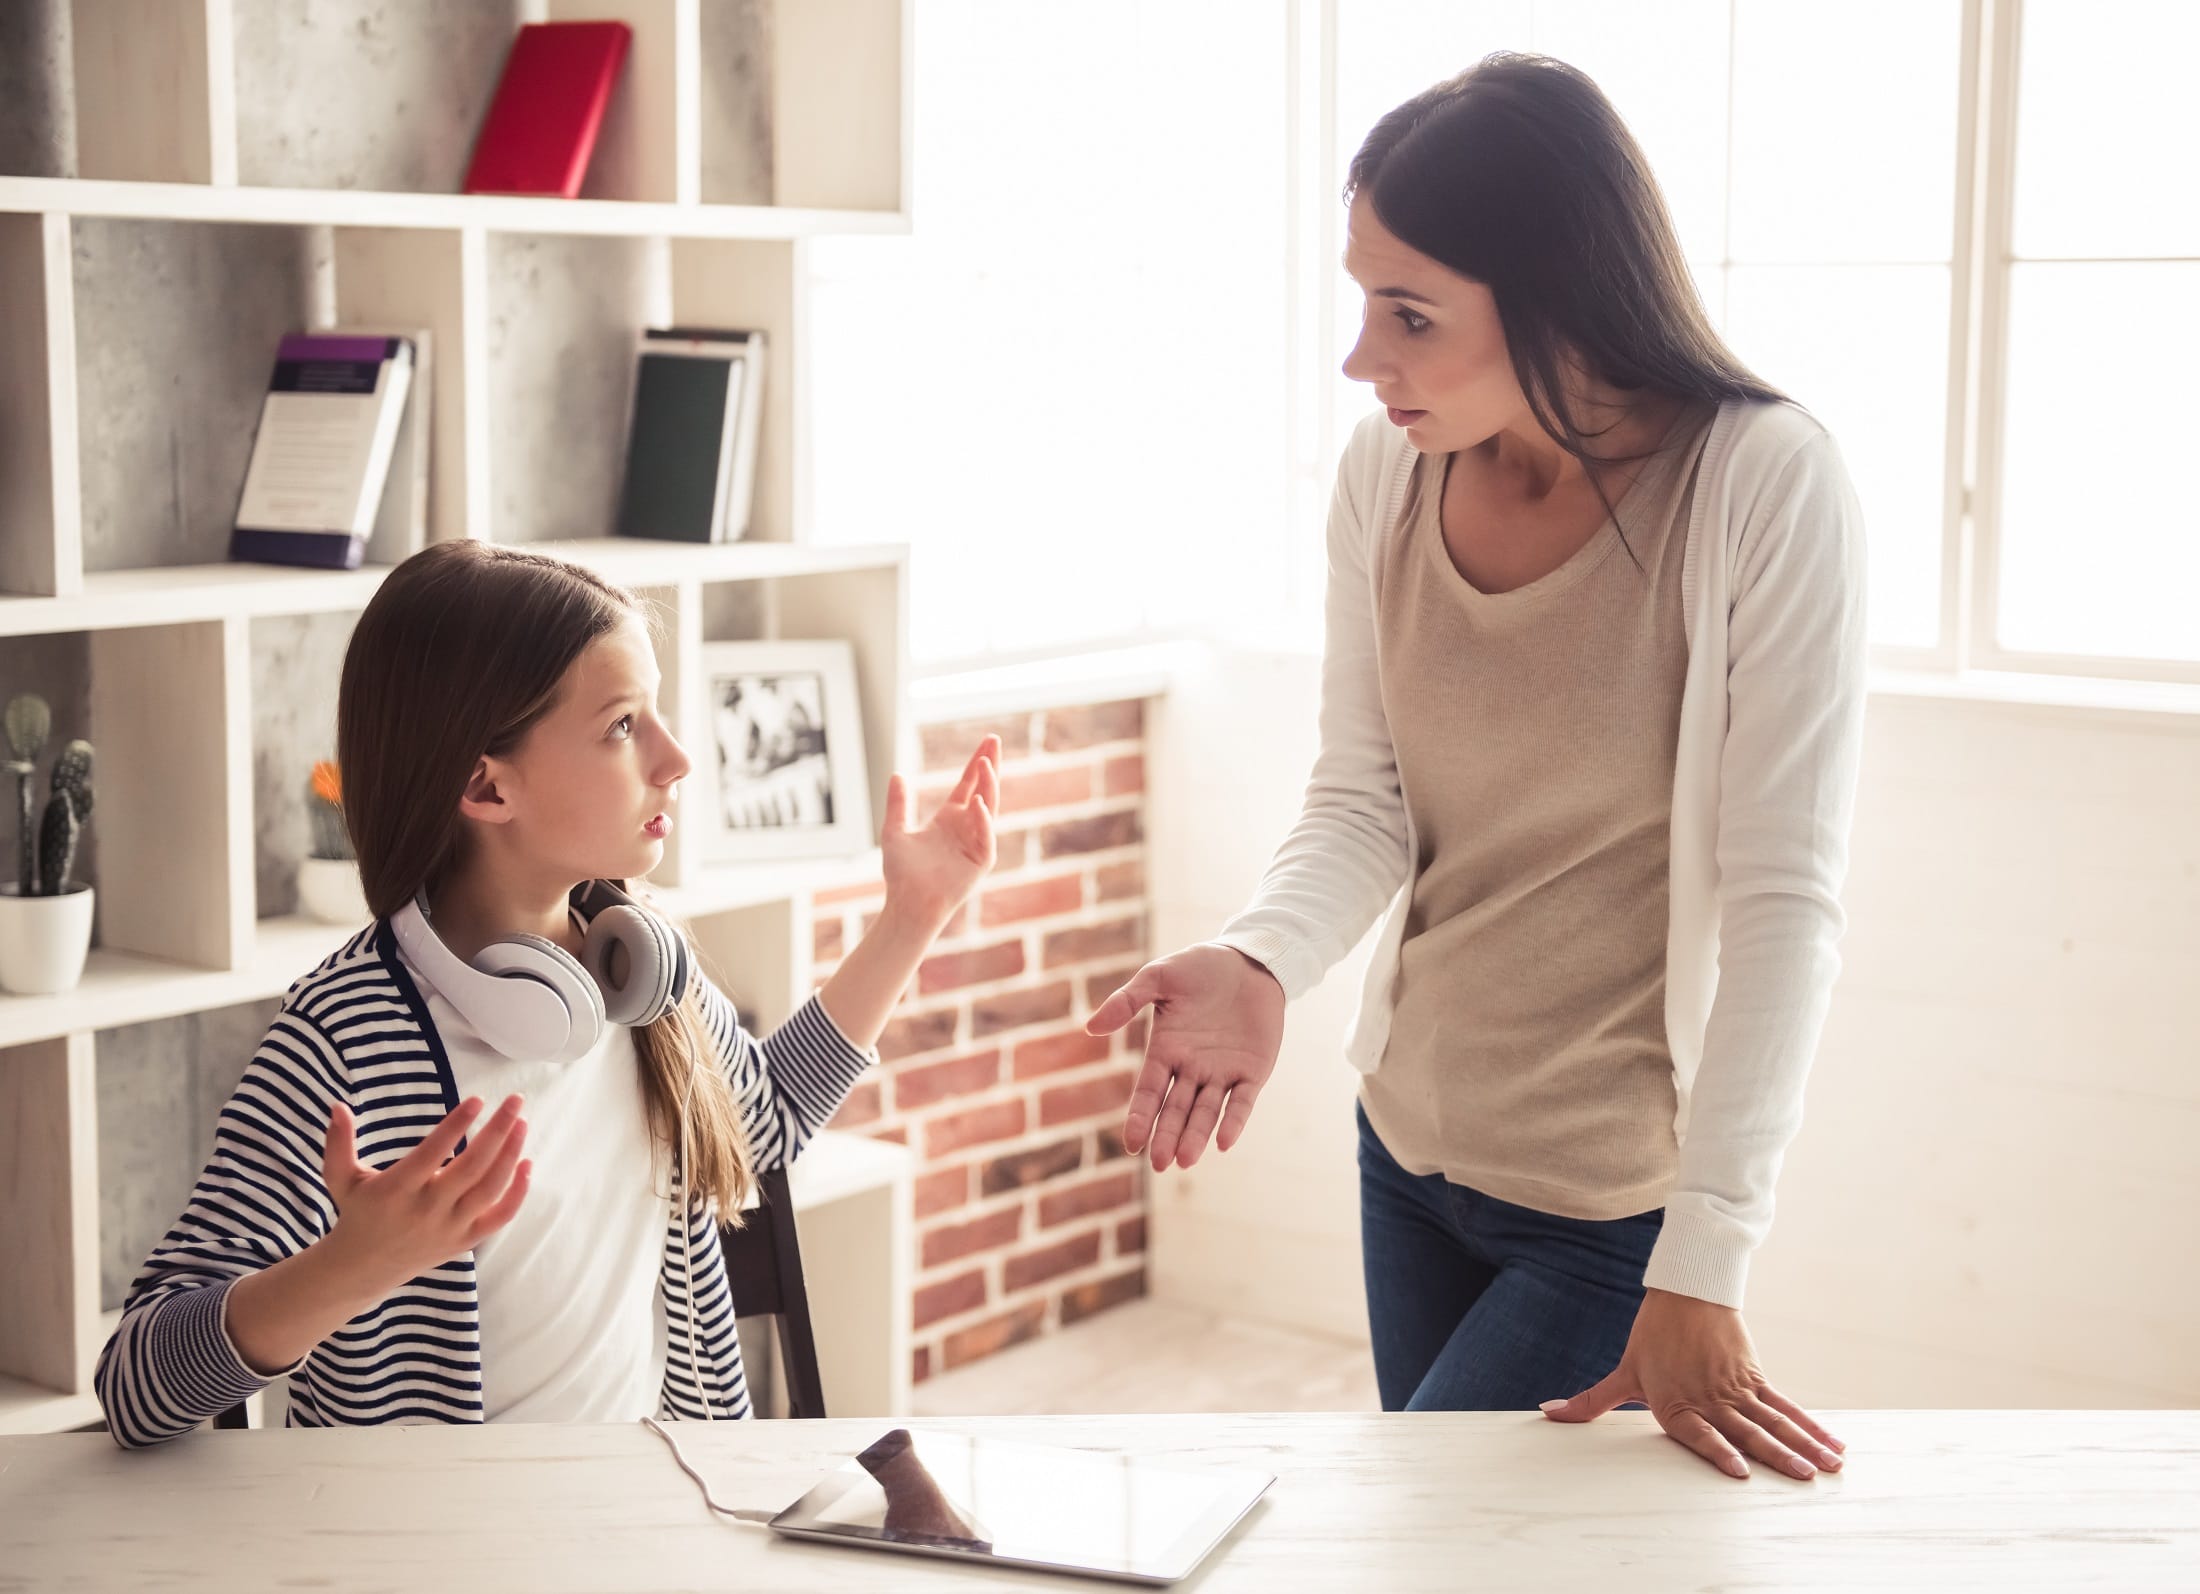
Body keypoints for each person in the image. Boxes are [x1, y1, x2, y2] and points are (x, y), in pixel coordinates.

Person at [1089, 54, 1866, 1483]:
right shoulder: (1385, 477)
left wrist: (1707, 1258)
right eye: (1362, 298)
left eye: (1410, 312)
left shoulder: (1762, 485)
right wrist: (1263, 960)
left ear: (1557, 290)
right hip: (1411, 1153)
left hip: (1608, 1208)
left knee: (1425, 1545)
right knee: (1469, 1547)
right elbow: (1365, 798)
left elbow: (1784, 902)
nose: (1360, 358)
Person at [96, 539, 999, 1445]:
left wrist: (912, 916)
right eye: (621, 725)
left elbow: (761, 1122)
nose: (676, 756)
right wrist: (349, 1267)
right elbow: (135, 1387)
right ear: (487, 786)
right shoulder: (341, 1043)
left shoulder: (639, 972)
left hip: (662, 1519)